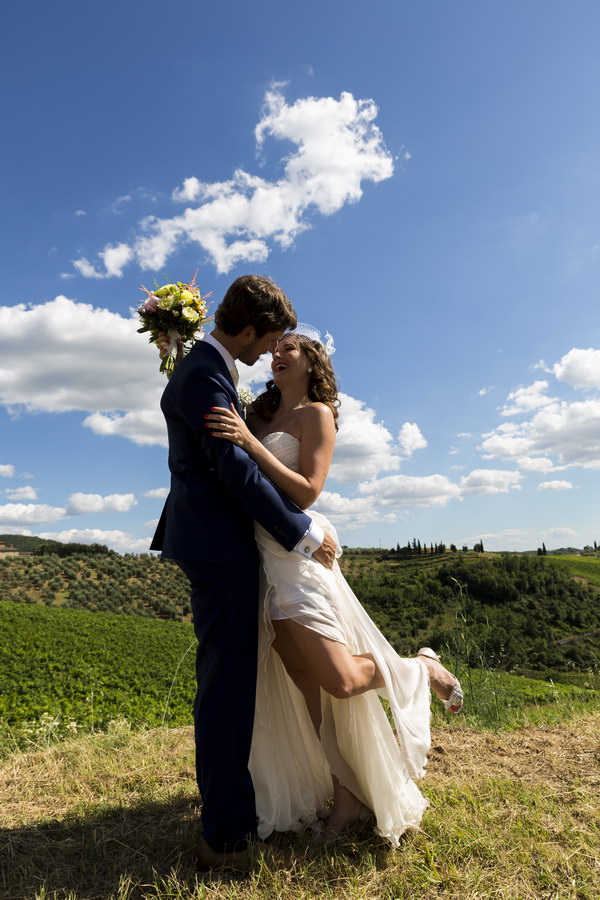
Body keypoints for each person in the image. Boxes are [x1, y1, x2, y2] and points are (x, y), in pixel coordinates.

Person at [205, 325, 463, 845]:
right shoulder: (255, 411)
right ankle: (346, 797)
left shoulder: (315, 416)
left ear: (312, 361)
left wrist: (252, 444)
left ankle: (421, 667)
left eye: (288, 348)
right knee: (309, 695)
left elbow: (305, 492)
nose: (277, 354)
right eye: (273, 348)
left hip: (297, 560)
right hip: (260, 565)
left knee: (342, 680)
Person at [150, 277, 338, 868]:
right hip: (222, 548)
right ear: (250, 329)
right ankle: (226, 838)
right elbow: (231, 468)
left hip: (225, 545)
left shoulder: (210, 369)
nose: (270, 353)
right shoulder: (207, 372)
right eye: (271, 340)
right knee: (227, 691)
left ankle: (232, 813)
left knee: (232, 684)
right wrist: (302, 532)